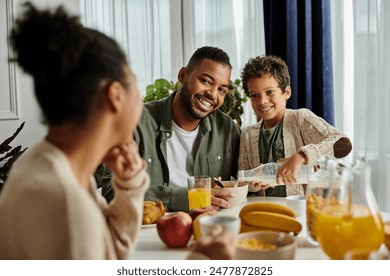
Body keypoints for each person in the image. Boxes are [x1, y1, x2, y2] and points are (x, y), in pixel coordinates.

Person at [0, 2, 235, 260]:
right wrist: (201, 262)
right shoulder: (64, 203)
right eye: (134, 84)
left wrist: (130, 187)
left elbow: (111, 252)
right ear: (115, 96)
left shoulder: (54, 169)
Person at [97, 46, 241, 212]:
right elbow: (112, 191)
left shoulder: (228, 129)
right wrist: (187, 198)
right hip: (149, 231)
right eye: (206, 81)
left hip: (210, 227)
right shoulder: (136, 122)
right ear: (182, 75)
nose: (212, 94)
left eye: (221, 90)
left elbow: (248, 179)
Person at [238, 55, 352, 196]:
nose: (262, 101)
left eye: (269, 92)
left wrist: (301, 157)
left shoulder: (300, 119)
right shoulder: (247, 135)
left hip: (304, 210)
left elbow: (342, 142)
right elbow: (244, 182)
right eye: (254, 95)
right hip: (268, 210)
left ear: (286, 92)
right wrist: (254, 184)